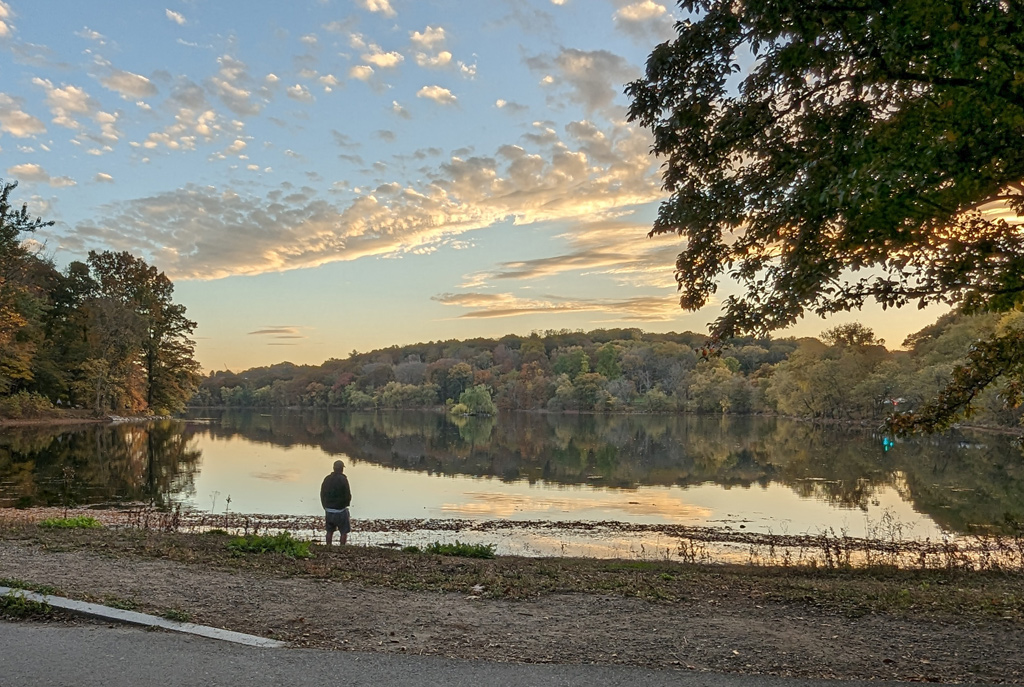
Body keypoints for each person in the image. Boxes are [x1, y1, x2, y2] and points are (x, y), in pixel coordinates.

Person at [320, 459, 352, 545]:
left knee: (329, 531)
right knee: (344, 532)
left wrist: (325, 506)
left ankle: (328, 546)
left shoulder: (327, 479)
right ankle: (342, 547)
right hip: (340, 510)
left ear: (333, 468)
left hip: (329, 510)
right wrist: (345, 505)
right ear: (342, 469)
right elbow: (348, 495)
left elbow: (322, 494)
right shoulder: (343, 479)